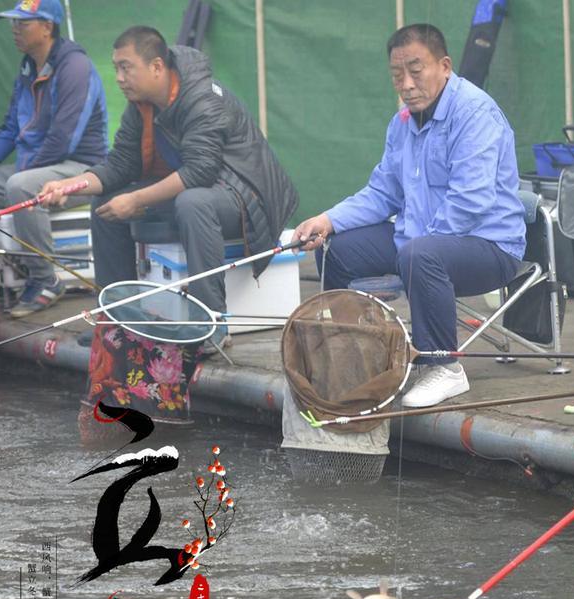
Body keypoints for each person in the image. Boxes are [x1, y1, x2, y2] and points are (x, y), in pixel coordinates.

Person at [293, 24, 525, 409]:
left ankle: (444, 367)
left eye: (416, 70)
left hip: (489, 247)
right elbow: (383, 192)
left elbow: (471, 201)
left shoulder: (475, 112)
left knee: (420, 254)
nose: (406, 83)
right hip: (418, 243)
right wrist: (328, 219)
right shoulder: (402, 121)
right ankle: (352, 352)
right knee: (337, 249)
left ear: (445, 66)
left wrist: (413, 248)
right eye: (397, 74)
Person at [41, 26, 297, 352]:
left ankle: (212, 323)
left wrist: (136, 199)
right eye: (116, 67)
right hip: (199, 188)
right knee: (107, 203)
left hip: (245, 195)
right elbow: (120, 164)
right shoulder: (141, 104)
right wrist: (71, 186)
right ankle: (122, 319)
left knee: (192, 202)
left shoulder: (203, 98)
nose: (118, 77)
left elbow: (200, 170)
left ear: (157, 67)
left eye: (126, 67)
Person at [0, 0, 107, 318]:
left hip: (82, 168)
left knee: (20, 185)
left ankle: (46, 280)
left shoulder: (75, 68)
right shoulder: (29, 66)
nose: (15, 30)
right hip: (36, 165)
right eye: (13, 23)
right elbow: (9, 129)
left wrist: (24, 173)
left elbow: (63, 139)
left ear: (47, 27)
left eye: (23, 23)